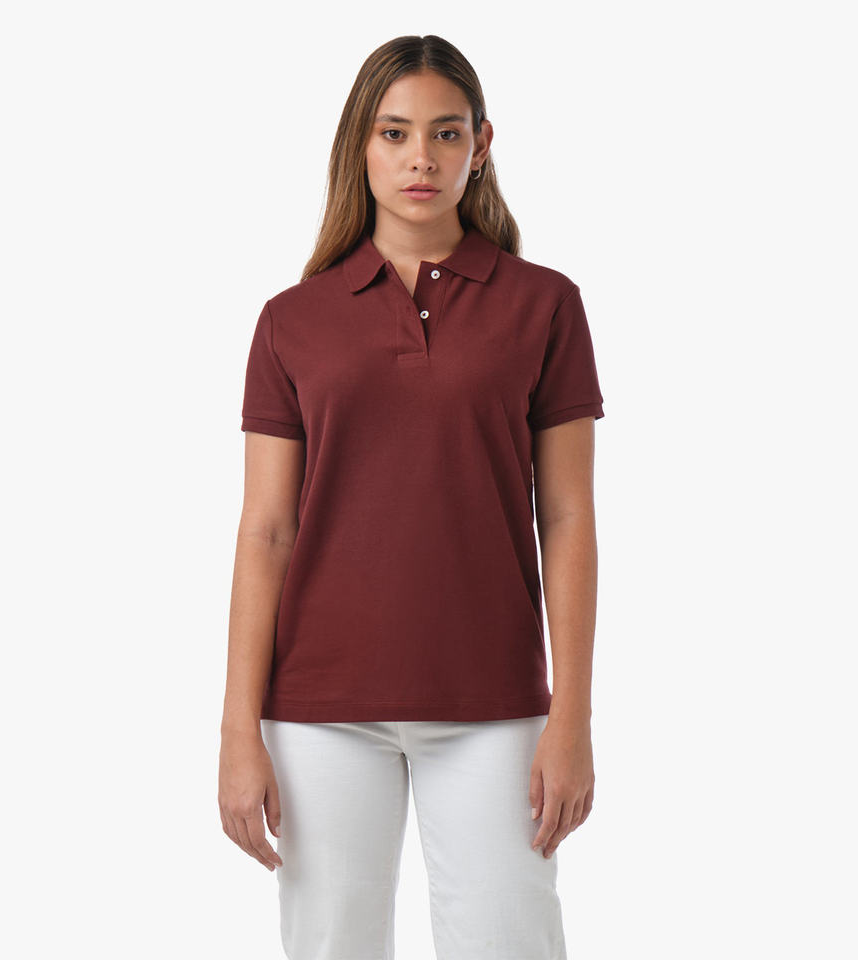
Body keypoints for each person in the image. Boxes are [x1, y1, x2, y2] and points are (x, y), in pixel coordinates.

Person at [219, 34, 605, 960]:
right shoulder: (291, 321)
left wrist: (573, 718)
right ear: (361, 144)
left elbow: (568, 519)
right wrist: (237, 730)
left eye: (445, 132)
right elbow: (266, 531)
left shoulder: (545, 306)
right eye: (394, 133)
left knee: (510, 943)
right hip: (318, 706)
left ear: (482, 144)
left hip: (495, 703)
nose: (421, 158)